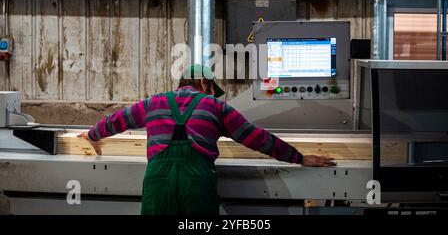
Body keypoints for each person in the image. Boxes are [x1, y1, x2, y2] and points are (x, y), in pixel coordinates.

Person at [78, 64, 336, 215]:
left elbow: (115, 121)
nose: (215, 94)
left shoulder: (152, 103)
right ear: (204, 82)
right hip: (196, 182)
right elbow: (256, 137)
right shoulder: (215, 107)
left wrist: (91, 135)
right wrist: (300, 157)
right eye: (213, 89)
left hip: (158, 182)